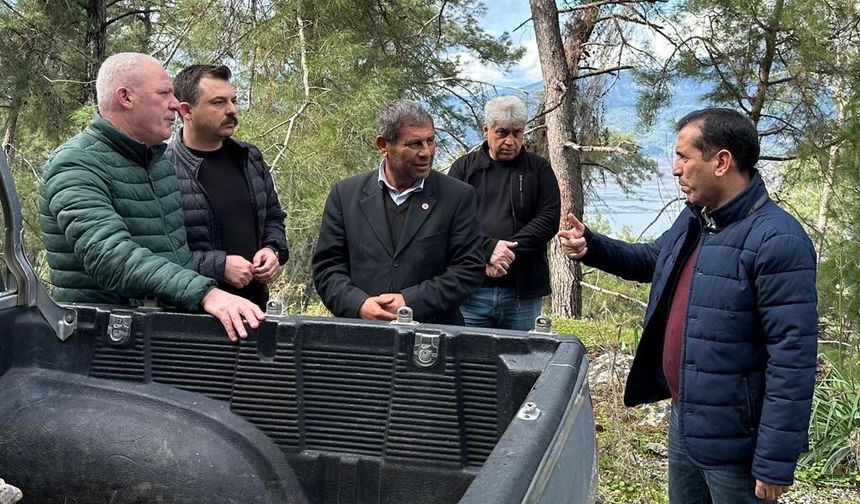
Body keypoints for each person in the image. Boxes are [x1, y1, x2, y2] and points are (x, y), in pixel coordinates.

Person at [558, 108, 818, 503]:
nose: (675, 170)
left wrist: (775, 460)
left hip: (736, 441)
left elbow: (792, 359)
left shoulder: (777, 240)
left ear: (722, 162)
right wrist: (590, 245)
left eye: (684, 157)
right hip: (685, 418)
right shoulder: (697, 218)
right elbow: (651, 260)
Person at [39, 52, 263, 341]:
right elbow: (110, 256)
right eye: (164, 93)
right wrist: (205, 292)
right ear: (126, 97)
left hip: (158, 334)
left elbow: (176, 254)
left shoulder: (157, 162)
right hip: (102, 344)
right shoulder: (75, 164)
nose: (175, 104)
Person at [312, 100, 484, 324]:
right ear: (384, 145)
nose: (426, 152)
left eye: (430, 141)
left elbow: (468, 270)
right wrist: (359, 305)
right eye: (414, 144)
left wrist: (410, 301)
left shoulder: (457, 196)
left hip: (433, 336)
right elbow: (328, 268)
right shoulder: (345, 195)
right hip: (362, 334)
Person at [166, 64, 289, 310]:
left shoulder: (249, 158)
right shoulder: (163, 168)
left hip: (254, 312)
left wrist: (273, 249)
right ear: (186, 111)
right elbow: (156, 253)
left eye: (234, 100)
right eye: (219, 103)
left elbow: (274, 217)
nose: (232, 110)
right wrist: (218, 266)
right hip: (189, 318)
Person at [449, 96, 560, 330]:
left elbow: (548, 220)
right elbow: (450, 222)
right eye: (502, 133)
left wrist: (505, 249)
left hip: (523, 293)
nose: (510, 141)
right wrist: (487, 250)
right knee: (469, 361)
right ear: (486, 130)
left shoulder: (539, 170)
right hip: (471, 289)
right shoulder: (464, 169)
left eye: (517, 133)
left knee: (520, 363)